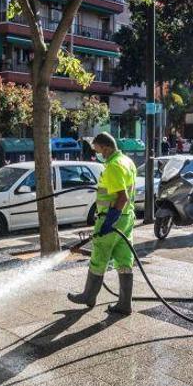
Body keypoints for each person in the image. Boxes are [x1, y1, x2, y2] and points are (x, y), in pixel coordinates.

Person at [68, 132, 136, 313]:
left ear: (106, 147)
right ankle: (124, 304)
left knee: (99, 257)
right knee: (124, 259)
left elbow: (122, 197)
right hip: (127, 219)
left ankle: (88, 296)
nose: (97, 153)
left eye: (97, 150)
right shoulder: (127, 161)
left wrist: (109, 222)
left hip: (111, 218)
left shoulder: (114, 166)